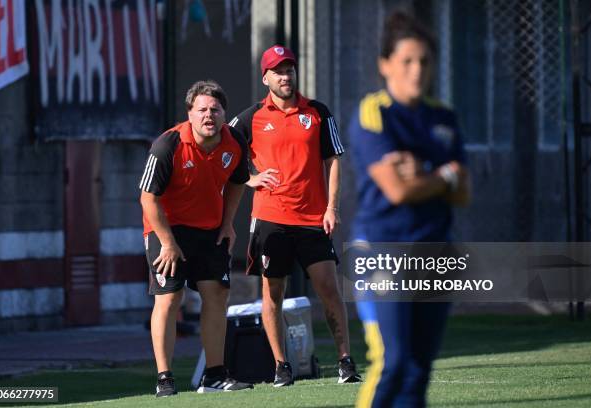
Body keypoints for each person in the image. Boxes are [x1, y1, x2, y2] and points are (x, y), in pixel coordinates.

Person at [349, 12, 470, 408]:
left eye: (425, 61)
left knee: (419, 371)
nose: (417, 70)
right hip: (384, 253)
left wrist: (431, 177)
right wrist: (444, 176)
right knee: (393, 361)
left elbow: (464, 192)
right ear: (385, 65)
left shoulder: (443, 117)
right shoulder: (374, 114)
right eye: (407, 61)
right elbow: (398, 190)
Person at [229, 45, 361, 387]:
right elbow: (223, 150)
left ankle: (345, 361)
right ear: (266, 78)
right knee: (272, 292)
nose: (286, 76)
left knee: (329, 288)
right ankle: (281, 366)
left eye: (290, 69)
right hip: (270, 218)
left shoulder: (317, 112)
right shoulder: (250, 117)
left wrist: (331, 208)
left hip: (313, 219)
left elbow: (333, 160)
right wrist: (249, 177)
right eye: (279, 71)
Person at [139, 80, 253, 396]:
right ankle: (165, 378)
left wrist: (228, 224)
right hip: (166, 230)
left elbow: (238, 182)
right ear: (190, 113)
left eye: (215, 109)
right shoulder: (168, 145)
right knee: (171, 298)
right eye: (202, 109)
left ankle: (215, 375)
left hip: (209, 229)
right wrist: (167, 243)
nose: (209, 115)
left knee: (216, 294)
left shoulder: (235, 143)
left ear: (224, 113)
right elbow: (148, 198)